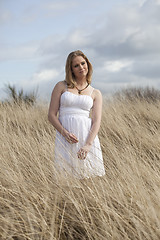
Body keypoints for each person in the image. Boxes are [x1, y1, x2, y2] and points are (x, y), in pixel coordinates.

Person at [48, 50, 105, 179]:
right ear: (71, 69)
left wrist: (88, 145)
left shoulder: (95, 92)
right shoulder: (61, 86)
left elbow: (96, 121)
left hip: (87, 139)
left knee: (87, 177)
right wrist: (65, 133)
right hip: (66, 138)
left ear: (88, 64)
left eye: (83, 63)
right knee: (66, 176)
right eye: (76, 65)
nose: (81, 67)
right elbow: (51, 115)